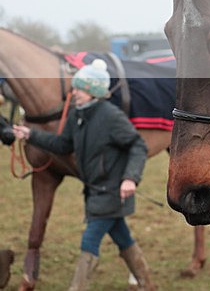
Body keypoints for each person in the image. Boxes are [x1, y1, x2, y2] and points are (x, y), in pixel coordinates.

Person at [11, 59, 154, 291]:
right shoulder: (77, 115)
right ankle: (147, 285)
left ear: (93, 91)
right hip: (95, 190)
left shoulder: (111, 116)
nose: (73, 92)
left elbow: (138, 145)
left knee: (89, 241)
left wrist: (130, 178)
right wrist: (31, 135)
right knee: (123, 239)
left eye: (79, 88)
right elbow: (62, 145)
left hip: (112, 191)